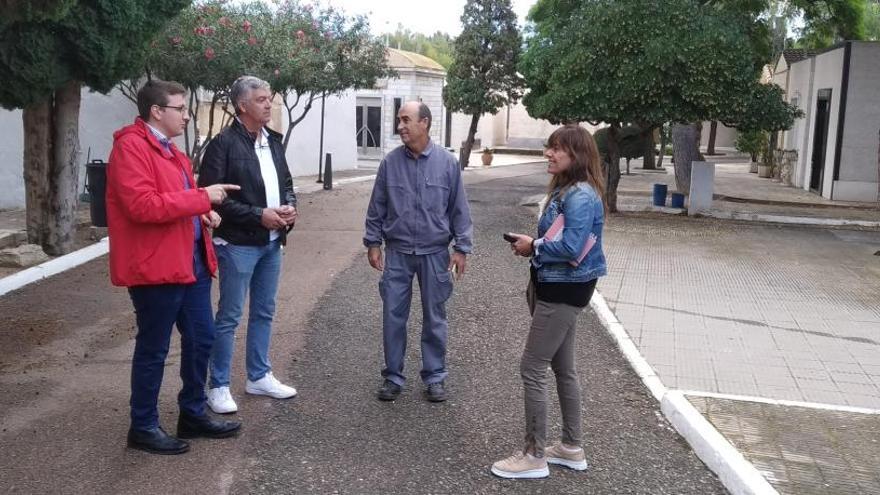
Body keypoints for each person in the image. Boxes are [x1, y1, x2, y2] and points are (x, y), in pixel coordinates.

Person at [106, 79, 242, 455]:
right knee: (154, 347)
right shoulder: (131, 148)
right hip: (156, 268)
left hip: (189, 261)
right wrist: (201, 198)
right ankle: (143, 425)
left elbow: (174, 200)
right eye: (180, 109)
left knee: (202, 338)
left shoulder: (172, 151)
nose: (186, 115)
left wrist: (205, 213)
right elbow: (143, 206)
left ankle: (192, 413)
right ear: (156, 111)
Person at [490, 124, 608, 479]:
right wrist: (533, 243)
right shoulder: (569, 191)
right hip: (561, 288)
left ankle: (534, 454)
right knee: (563, 369)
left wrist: (534, 246)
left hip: (562, 292)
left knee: (532, 367)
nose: (549, 153)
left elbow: (571, 247)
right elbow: (562, 238)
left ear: (577, 154)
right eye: (549, 147)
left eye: (557, 149)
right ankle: (571, 447)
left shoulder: (580, 195)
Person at [198, 76, 298, 414]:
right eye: (261, 100)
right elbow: (213, 199)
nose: (269, 104)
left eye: (269, 99)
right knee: (229, 315)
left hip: (271, 241)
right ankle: (219, 385)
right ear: (243, 105)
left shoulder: (272, 141)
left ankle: (258, 376)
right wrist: (259, 216)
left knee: (264, 311)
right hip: (238, 243)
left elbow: (286, 182)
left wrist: (289, 207)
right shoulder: (223, 144)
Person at [363, 101, 473, 403]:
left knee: (435, 316)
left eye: (406, 120)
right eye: (399, 120)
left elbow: (459, 210)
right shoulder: (389, 163)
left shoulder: (447, 163)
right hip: (397, 252)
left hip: (435, 253)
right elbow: (378, 206)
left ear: (424, 123)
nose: (400, 126)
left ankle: (435, 376)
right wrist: (373, 242)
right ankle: (393, 377)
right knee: (392, 316)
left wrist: (461, 248)